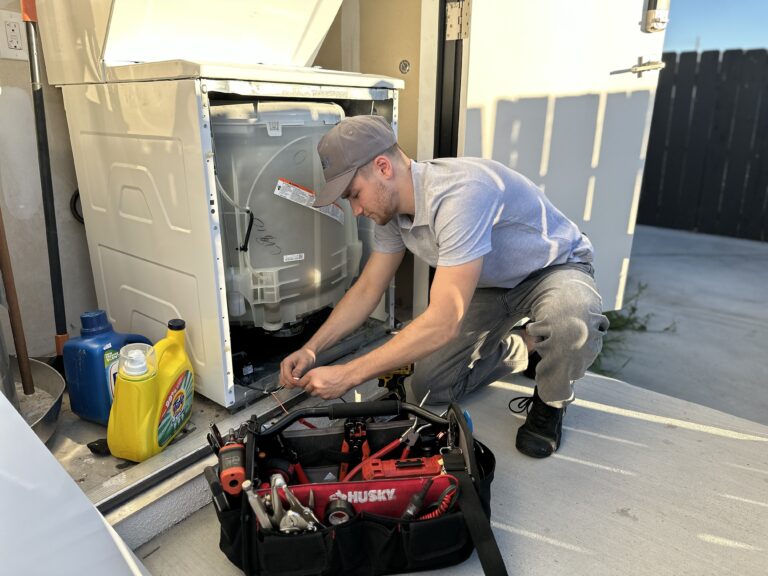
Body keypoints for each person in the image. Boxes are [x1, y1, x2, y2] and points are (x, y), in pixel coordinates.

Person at [279, 115, 609, 458]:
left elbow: (444, 321)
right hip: (490, 284)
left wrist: (348, 375)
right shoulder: (390, 213)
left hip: (552, 269)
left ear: (383, 167)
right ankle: (527, 345)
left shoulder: (460, 194)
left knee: (572, 321)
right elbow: (367, 289)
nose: (356, 210)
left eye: (354, 194)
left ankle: (551, 402)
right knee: (428, 386)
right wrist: (312, 349)